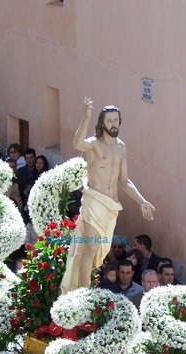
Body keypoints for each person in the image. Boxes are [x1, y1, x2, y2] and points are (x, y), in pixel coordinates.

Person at [61, 99, 155, 293]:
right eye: (109, 120)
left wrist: (141, 201)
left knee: (99, 252)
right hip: (94, 200)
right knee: (91, 248)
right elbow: (77, 143)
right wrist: (86, 117)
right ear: (102, 122)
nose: (113, 124)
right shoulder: (94, 144)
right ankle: (84, 296)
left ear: (120, 121)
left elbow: (124, 180)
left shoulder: (121, 147)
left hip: (111, 206)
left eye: (116, 120)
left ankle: (82, 288)